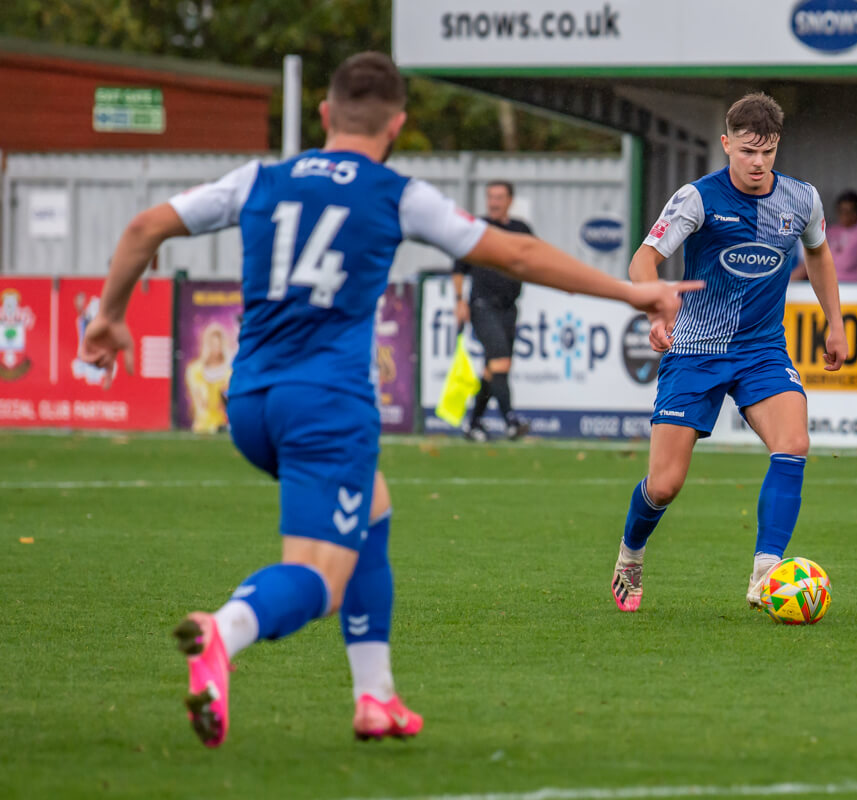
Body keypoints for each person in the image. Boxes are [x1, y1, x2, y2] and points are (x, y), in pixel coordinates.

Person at [78, 52, 698, 749]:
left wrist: (108, 316)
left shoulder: (259, 178)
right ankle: (225, 630)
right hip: (327, 408)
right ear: (398, 124)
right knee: (322, 582)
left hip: (248, 401)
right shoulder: (397, 193)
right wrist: (632, 291)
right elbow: (516, 257)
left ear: (323, 115)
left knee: (373, 510)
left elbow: (141, 230)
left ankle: (376, 698)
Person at [610, 92, 847, 614]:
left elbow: (820, 254)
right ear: (726, 145)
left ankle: (766, 571)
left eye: (766, 151)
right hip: (696, 350)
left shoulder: (801, 199)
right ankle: (631, 551)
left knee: (794, 443)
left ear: (776, 146)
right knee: (666, 484)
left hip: (762, 350)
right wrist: (655, 311)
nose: (757, 162)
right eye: (746, 151)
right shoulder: (697, 198)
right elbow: (642, 262)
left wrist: (836, 322)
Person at [452, 181, 532, 442]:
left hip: (509, 307)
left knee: (492, 369)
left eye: (499, 197)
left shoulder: (521, 229)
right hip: (481, 305)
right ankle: (510, 420)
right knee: (500, 360)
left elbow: (537, 260)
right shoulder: (477, 229)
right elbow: (458, 268)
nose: (494, 202)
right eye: (490, 197)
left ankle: (473, 423)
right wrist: (459, 301)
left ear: (510, 200)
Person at [789, 191, 857, 283]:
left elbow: (845, 262)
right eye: (841, 211)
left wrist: (822, 258)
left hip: (854, 281)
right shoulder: (832, 230)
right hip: (827, 278)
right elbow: (815, 253)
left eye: (850, 211)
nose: (845, 215)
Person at [185, 323, 234, 434]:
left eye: (218, 344)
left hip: (223, 421)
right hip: (203, 423)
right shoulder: (195, 370)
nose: (215, 348)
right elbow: (199, 400)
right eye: (212, 344)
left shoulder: (230, 370)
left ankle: (228, 425)